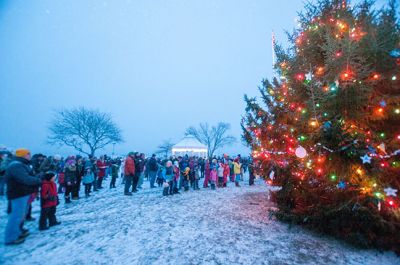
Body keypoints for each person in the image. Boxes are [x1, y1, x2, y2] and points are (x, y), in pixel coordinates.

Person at [5, 148, 42, 245]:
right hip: (18, 193)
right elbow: (25, 179)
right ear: (23, 155)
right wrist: (38, 180)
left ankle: (18, 232)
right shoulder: (16, 165)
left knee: (21, 215)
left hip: (23, 192)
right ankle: (10, 238)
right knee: (16, 216)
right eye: (28, 154)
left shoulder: (22, 164)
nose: (30, 155)